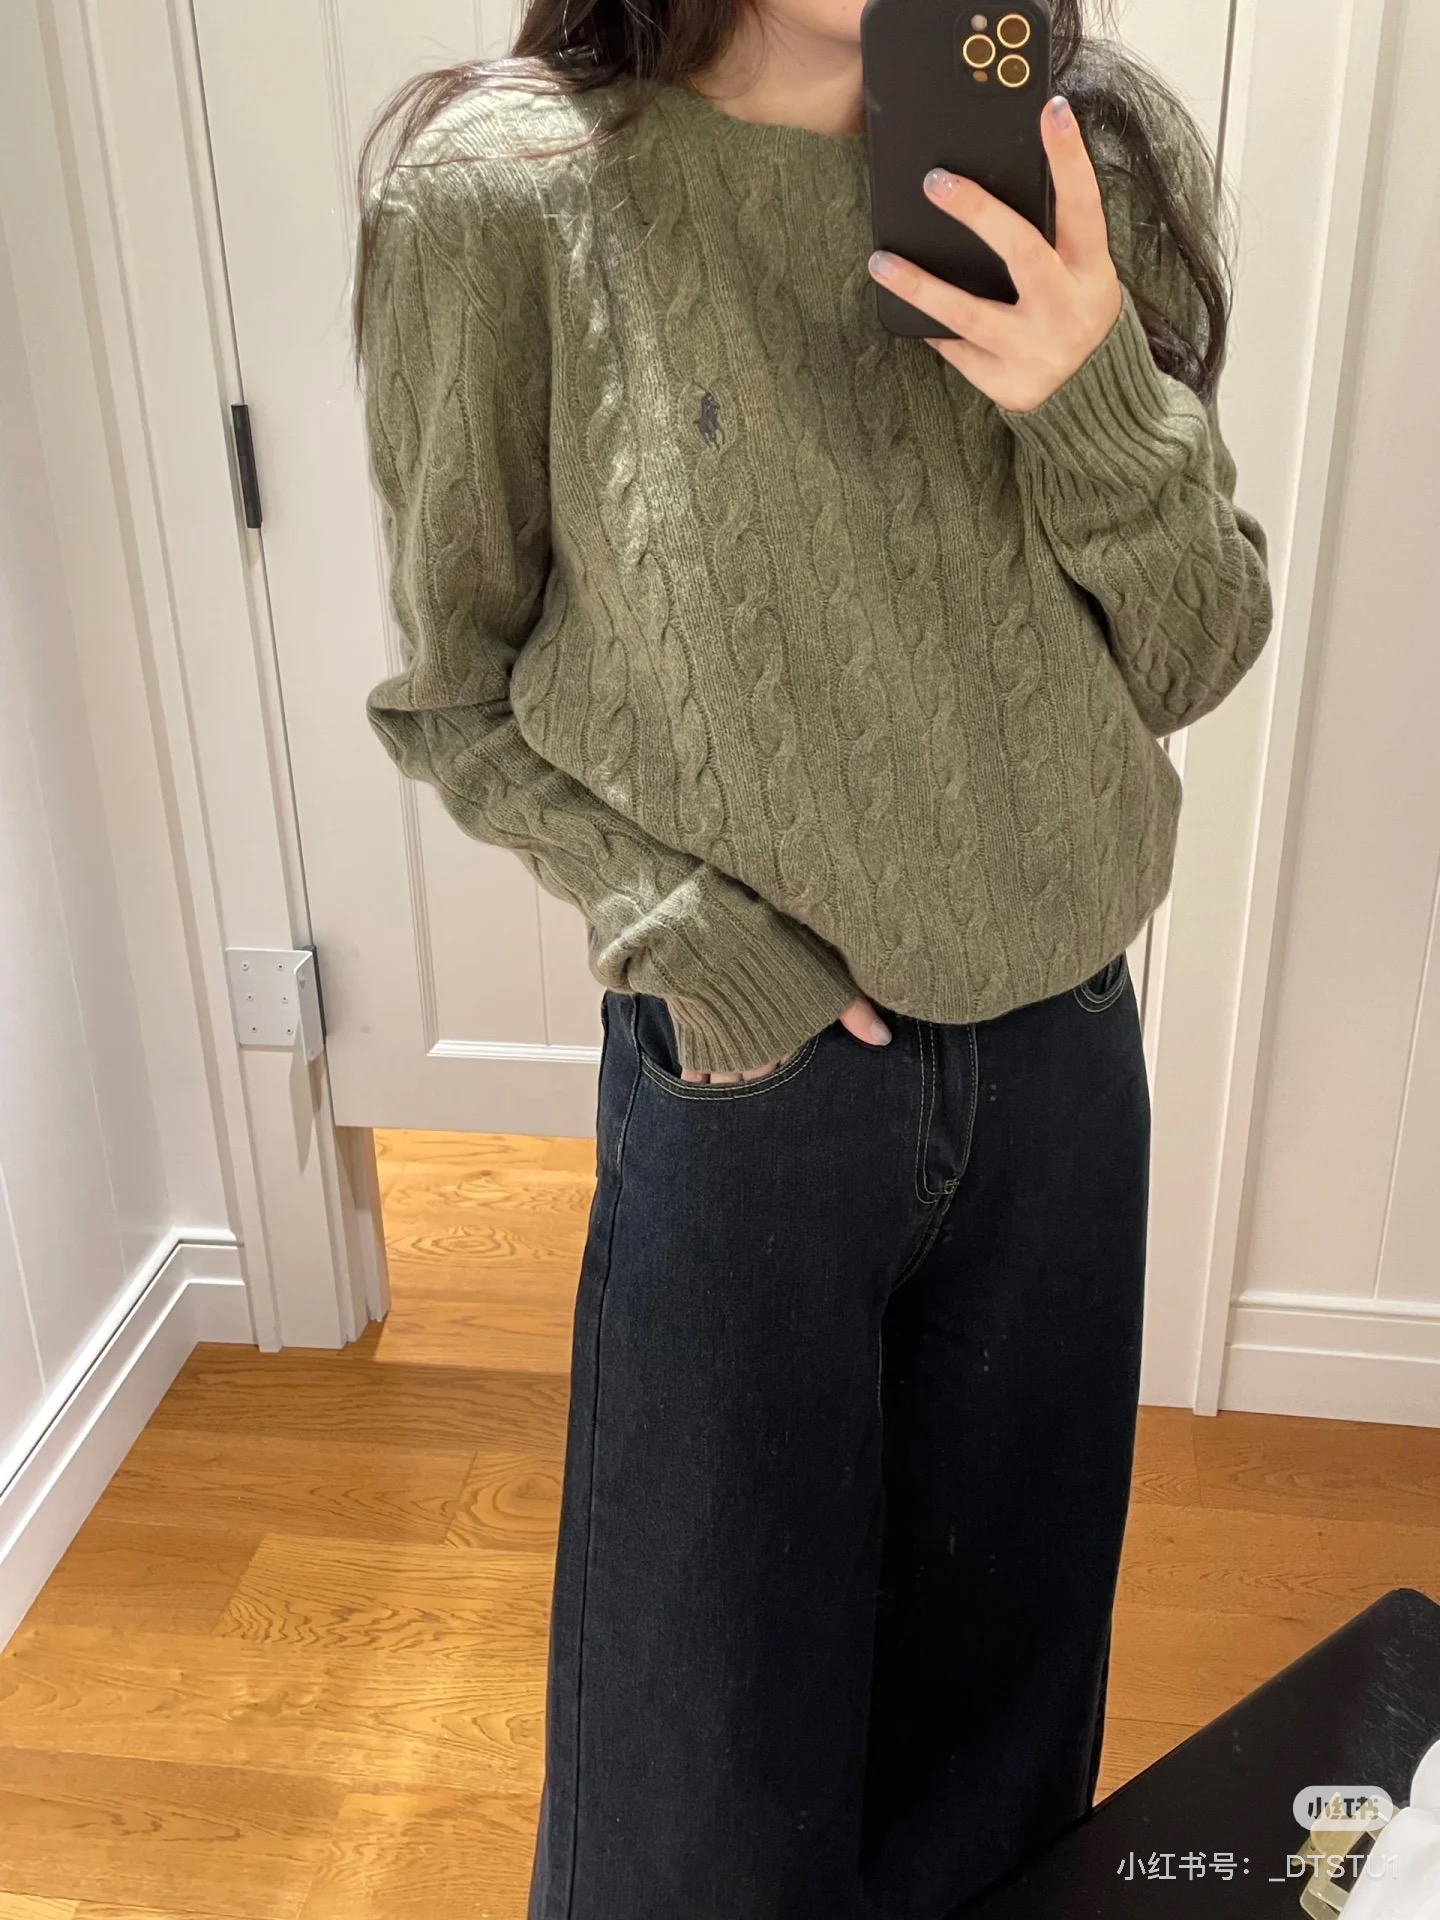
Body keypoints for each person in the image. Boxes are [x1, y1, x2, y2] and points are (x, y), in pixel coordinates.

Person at [350, 2, 1274, 1914]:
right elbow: (453, 694)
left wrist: (1089, 395)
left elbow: (1194, 651)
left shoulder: (1086, 154)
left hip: (1063, 1074)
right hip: (754, 1092)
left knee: (1002, 1768)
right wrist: (690, 938)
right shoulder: (509, 197)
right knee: (692, 1802)